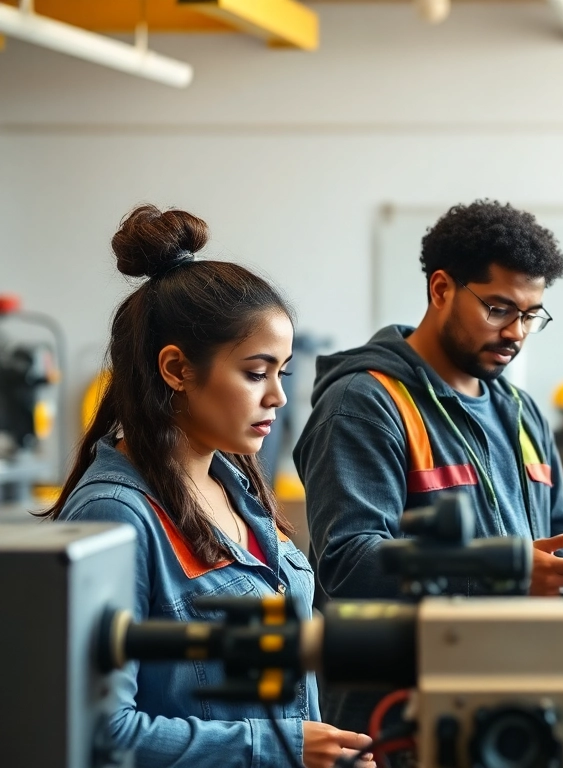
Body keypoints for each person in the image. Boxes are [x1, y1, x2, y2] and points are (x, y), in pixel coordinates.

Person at [41, 205, 373, 767]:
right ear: (176, 369)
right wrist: (283, 747)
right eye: (254, 372)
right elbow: (102, 732)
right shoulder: (116, 515)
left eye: (282, 372)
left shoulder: (233, 486)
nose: (278, 397)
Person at [295, 200, 563, 730]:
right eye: (499, 309)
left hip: (515, 715)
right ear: (440, 289)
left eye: (530, 315)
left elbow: (562, 536)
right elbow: (348, 563)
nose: (516, 332)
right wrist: (506, 577)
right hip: (395, 728)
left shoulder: (522, 415)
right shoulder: (365, 404)